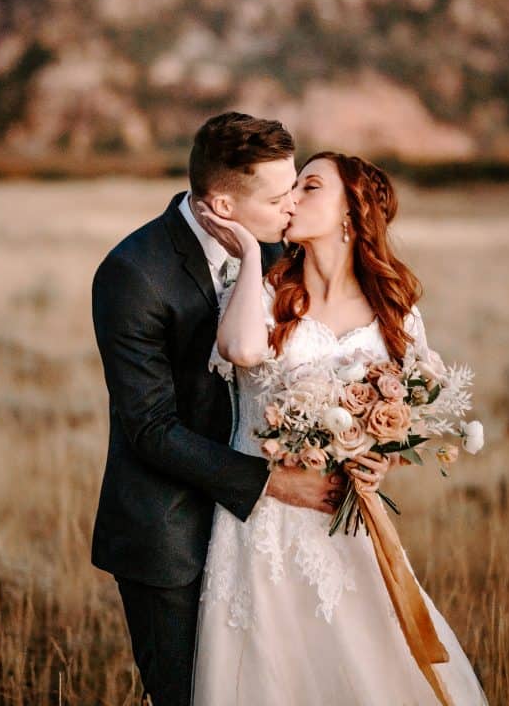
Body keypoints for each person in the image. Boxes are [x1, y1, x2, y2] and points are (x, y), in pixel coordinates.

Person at [192, 151, 488, 706]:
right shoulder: (260, 290)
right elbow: (239, 349)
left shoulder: (395, 315)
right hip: (261, 525)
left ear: (352, 211)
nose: (291, 199)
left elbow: (408, 416)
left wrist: (385, 459)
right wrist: (253, 252)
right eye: (290, 189)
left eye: (310, 186)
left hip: (344, 521)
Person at [91, 115, 347, 706]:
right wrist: (279, 485)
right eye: (279, 196)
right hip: (171, 533)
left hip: (270, 539)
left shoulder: (285, 249)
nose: (292, 207)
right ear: (224, 206)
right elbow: (151, 429)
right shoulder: (134, 274)